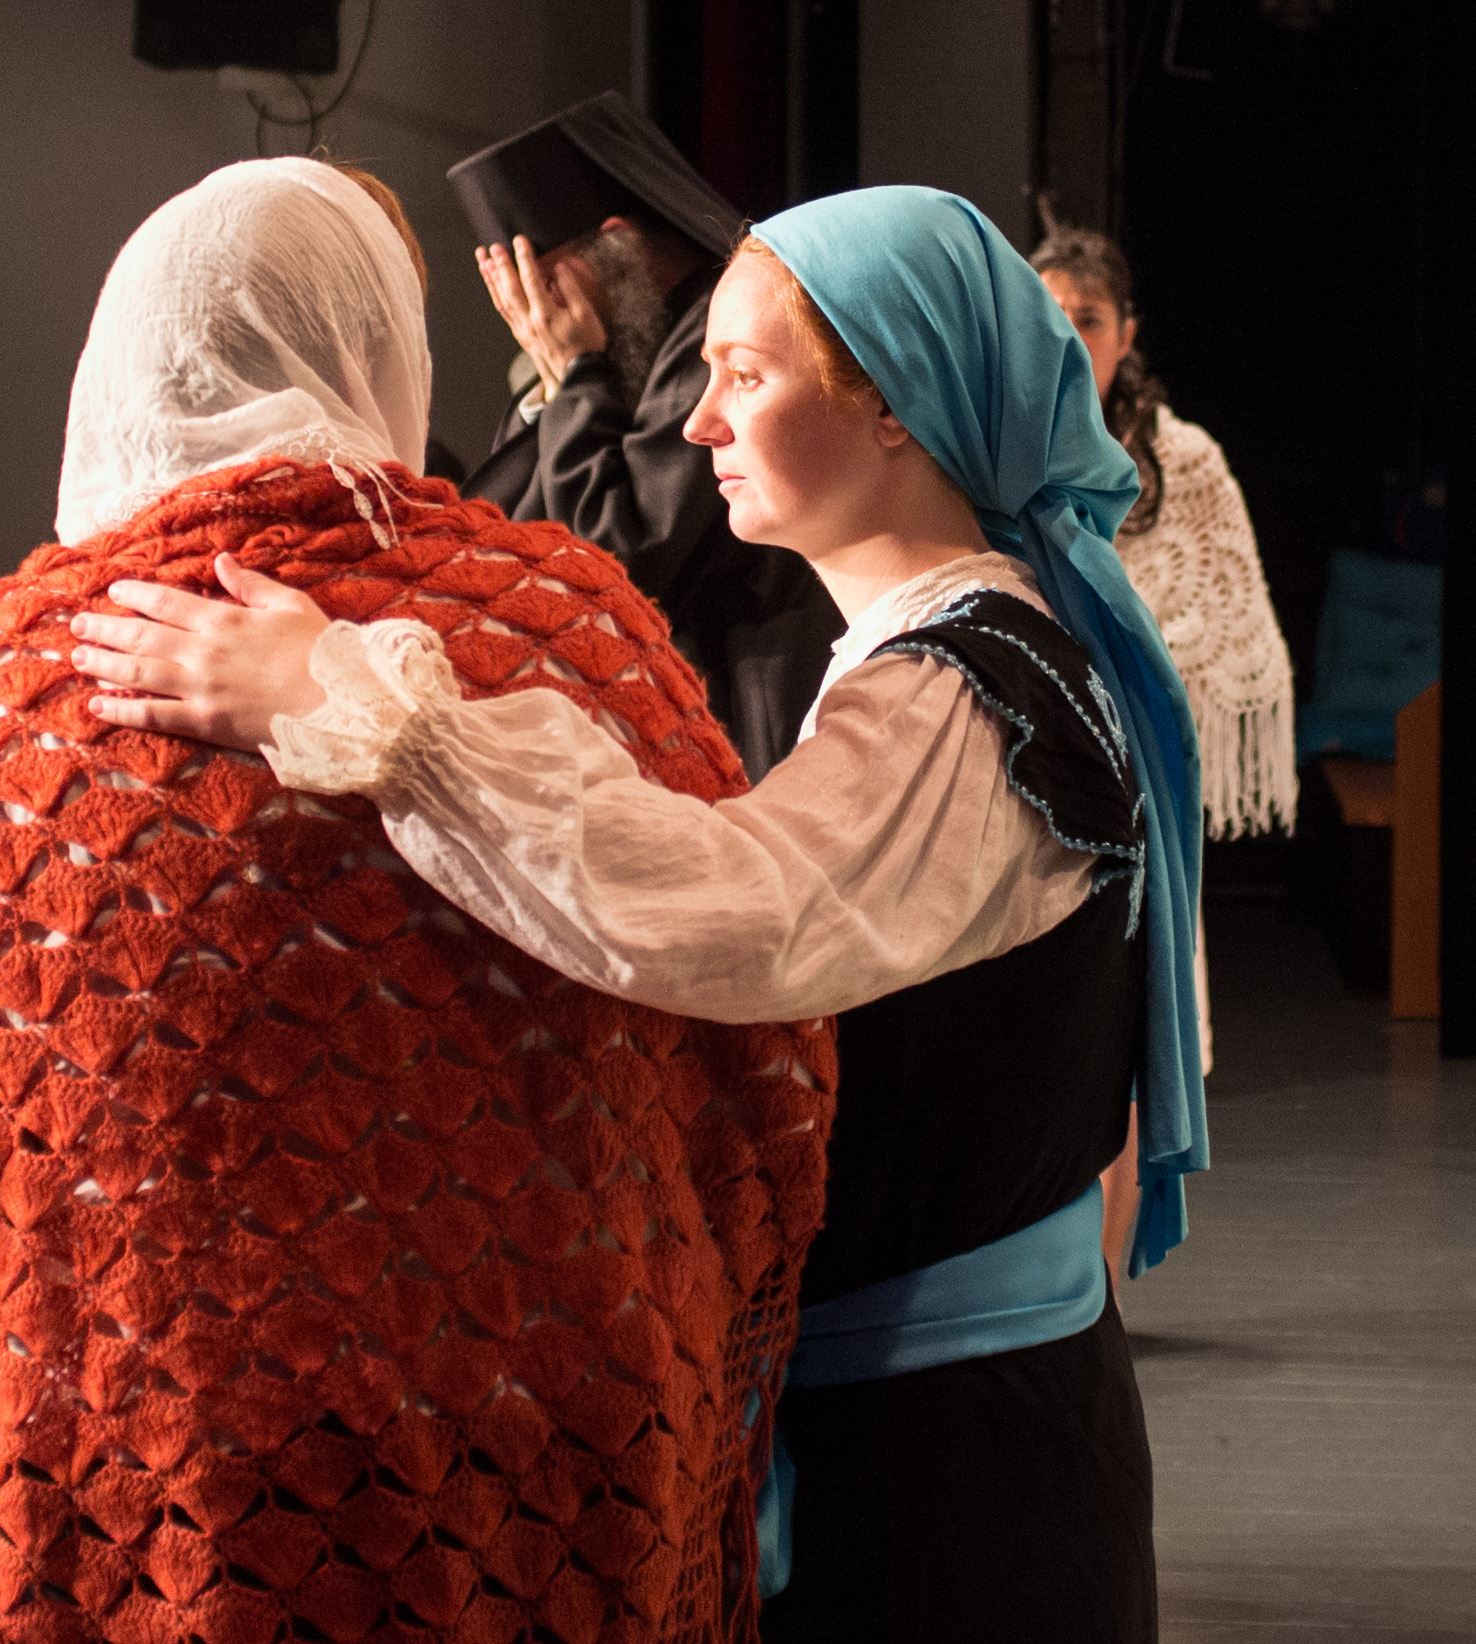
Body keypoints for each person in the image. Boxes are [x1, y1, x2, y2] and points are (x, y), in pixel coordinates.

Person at [72, 185, 1209, 1643]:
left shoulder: (968, 693)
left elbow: (733, 911)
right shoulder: (952, 650)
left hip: (952, 1475)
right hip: (937, 1430)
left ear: (893, 404)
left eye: (746, 374)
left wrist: (346, 701)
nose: (702, 421)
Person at [0, 157, 839, 1644]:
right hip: (551, 1445)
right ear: (382, 347)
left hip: (156, 1473)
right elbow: (757, 1033)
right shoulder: (573, 629)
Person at [1032, 224, 1296, 1277]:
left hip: (1139, 781)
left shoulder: (1182, 460)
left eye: (1089, 319)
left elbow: (1226, 619)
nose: (1068, 336)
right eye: (1050, 315)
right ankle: (1052, 1284)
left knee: (1137, 1044)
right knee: (1050, 1044)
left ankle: (1100, 1290)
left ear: (1126, 333)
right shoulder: (1005, 443)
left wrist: (1125, 668)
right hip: (1037, 770)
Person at [450, 91, 844, 781]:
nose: (531, 313)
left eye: (541, 282)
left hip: (755, 681)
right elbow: (511, 545)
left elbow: (620, 556)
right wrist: (561, 383)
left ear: (618, 243)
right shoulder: (612, 350)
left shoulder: (717, 329)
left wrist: (578, 378)